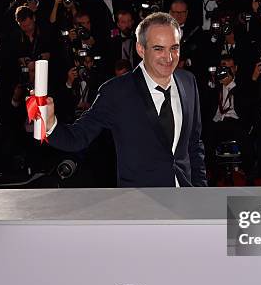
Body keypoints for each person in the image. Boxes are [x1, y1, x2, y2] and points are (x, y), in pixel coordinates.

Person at [42, 12, 207, 187]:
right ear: (140, 49)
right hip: (140, 202)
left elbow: (194, 145)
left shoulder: (188, 81)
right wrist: (50, 123)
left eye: (174, 48)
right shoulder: (116, 92)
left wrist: (200, 193)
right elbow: (77, 137)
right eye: (159, 48)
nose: (169, 57)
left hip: (186, 199)